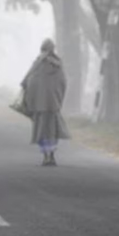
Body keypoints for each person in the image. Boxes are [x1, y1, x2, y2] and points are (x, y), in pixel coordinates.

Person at [21, 38, 70, 166]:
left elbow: (27, 82)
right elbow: (63, 83)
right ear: (53, 50)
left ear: (42, 49)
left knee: (41, 131)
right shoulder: (58, 64)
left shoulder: (37, 64)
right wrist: (58, 99)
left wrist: (30, 100)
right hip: (53, 105)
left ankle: (46, 156)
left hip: (39, 105)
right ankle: (52, 155)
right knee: (53, 131)